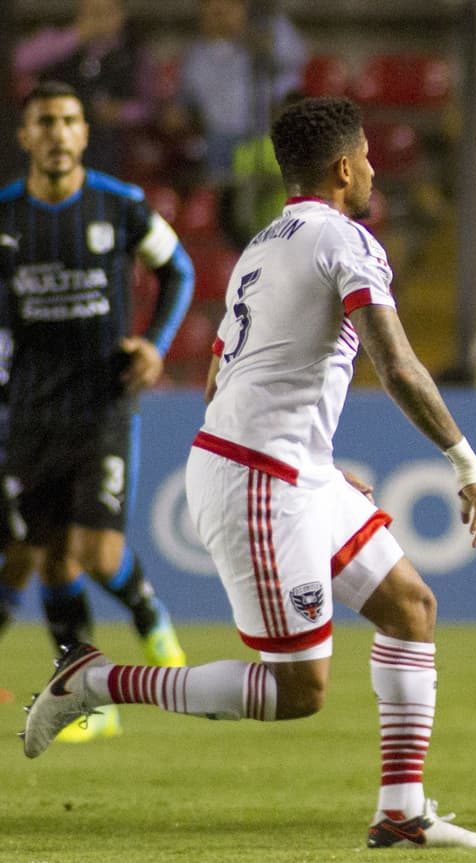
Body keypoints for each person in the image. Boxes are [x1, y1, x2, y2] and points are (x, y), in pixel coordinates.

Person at [22, 95, 476, 851]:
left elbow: (223, 379)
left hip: (289, 469)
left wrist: (314, 460)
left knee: (411, 605)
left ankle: (401, 810)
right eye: (368, 156)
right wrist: (464, 461)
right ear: (344, 168)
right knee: (296, 691)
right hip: (258, 480)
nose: (376, 167)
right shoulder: (347, 240)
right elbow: (398, 364)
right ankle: (91, 679)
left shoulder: (261, 246)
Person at [1, 80, 193, 741]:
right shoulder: (5, 217)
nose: (57, 132)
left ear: (84, 134)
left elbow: (181, 271)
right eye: (44, 121)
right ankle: (88, 697)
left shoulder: (124, 206)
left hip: (102, 403)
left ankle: (150, 617)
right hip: (28, 411)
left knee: (97, 549)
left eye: (68, 120)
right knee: (51, 559)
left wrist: (155, 344)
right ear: (26, 136)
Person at [162, 0, 308, 186]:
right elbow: (185, 101)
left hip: (263, 138)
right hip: (217, 143)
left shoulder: (267, 29)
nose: (219, 14)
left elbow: (296, 59)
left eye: (226, 8)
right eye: (211, 9)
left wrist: (255, 39)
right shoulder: (195, 56)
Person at [13, 0, 158, 175]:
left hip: (111, 143)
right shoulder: (61, 41)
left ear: (121, 15)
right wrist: (78, 35)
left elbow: (150, 108)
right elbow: (21, 61)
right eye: (92, 12)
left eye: (106, 12)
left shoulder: (135, 53)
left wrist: (120, 112)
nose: (99, 20)